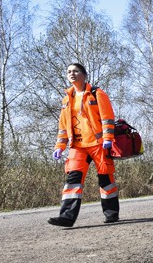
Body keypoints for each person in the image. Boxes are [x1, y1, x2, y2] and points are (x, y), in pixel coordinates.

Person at [48, 63, 119, 228]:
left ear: (84, 75)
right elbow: (63, 126)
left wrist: (108, 137)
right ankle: (66, 217)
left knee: (105, 178)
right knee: (73, 179)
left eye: (76, 71)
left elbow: (107, 118)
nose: (72, 73)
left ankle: (111, 214)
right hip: (78, 146)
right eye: (69, 71)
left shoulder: (97, 94)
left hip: (98, 144)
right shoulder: (67, 99)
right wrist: (59, 146)